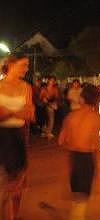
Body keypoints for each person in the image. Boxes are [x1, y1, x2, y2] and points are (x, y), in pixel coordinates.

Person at [0, 53, 35, 219]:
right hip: (2, 137)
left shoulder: (26, 87)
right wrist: (17, 112)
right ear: (11, 64)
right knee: (4, 184)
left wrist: (7, 112)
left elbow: (30, 114)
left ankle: (13, 216)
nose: (26, 69)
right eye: (24, 65)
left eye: (27, 65)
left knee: (19, 184)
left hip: (20, 136)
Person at [58, 84, 100, 199]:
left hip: (74, 157)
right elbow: (98, 145)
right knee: (82, 197)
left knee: (77, 193)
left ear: (82, 99)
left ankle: (77, 213)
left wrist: (72, 140)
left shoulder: (71, 116)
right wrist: (98, 166)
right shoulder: (97, 119)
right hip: (88, 157)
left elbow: (60, 141)